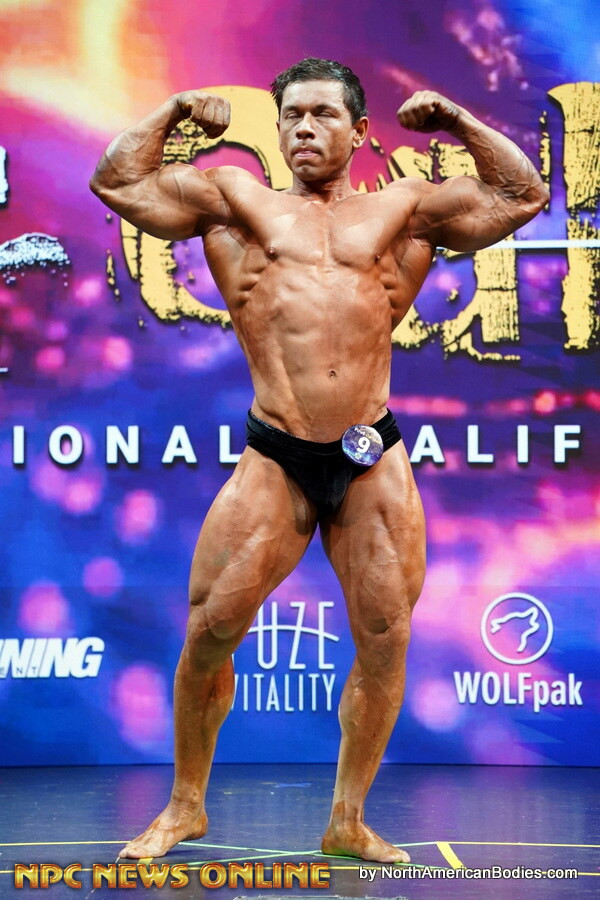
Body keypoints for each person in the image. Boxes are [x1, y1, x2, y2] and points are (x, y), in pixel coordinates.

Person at [90, 58, 548, 863]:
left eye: (324, 114)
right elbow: (118, 182)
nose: (305, 127)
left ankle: (347, 819)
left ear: (360, 130)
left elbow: (521, 193)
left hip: (371, 456)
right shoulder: (236, 202)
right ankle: (185, 806)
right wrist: (174, 109)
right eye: (292, 114)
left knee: (385, 637)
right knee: (211, 629)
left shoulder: (404, 211)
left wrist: (458, 121)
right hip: (277, 451)